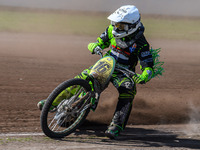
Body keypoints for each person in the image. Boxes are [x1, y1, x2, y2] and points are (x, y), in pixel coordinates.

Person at [38, 5, 158, 139]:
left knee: (128, 90)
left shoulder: (142, 44)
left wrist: (144, 75)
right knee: (82, 77)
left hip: (124, 72)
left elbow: (148, 66)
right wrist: (95, 46)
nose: (117, 28)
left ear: (132, 26)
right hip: (106, 63)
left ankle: (116, 126)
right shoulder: (111, 30)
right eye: (115, 24)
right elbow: (99, 42)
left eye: (121, 26)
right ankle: (52, 102)